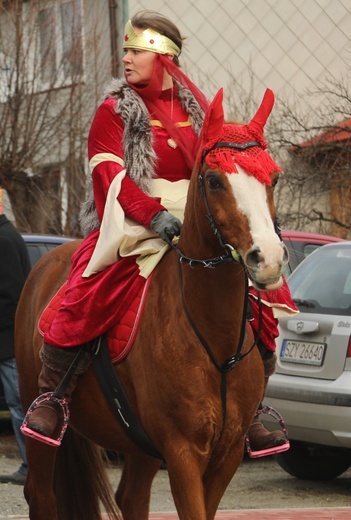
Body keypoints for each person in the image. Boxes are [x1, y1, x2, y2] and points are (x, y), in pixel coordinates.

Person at [22, 10, 296, 456]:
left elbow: (222, 170)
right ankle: (53, 395)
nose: (126, 58)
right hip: (131, 218)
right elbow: (110, 176)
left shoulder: (200, 113)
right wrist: (153, 216)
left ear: (164, 58)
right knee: (91, 287)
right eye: (126, 50)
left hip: (198, 216)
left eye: (137, 51)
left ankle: (254, 408)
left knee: (256, 298)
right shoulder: (115, 109)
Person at [0, 196, 31, 485]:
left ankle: (30, 465)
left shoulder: (5, 240)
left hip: (7, 343)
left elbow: (11, 297)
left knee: (19, 404)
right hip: (7, 340)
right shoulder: (7, 236)